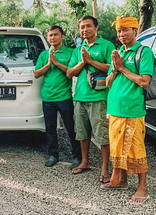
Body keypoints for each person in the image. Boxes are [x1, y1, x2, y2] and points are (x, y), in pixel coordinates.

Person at [103, 16, 154, 204]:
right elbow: (108, 82)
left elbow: (144, 81)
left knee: (135, 149)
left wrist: (123, 68)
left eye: (125, 30)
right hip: (115, 109)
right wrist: (115, 68)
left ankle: (143, 187)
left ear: (135, 30)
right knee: (117, 147)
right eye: (119, 31)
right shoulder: (118, 54)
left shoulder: (144, 52)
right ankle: (121, 180)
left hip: (132, 109)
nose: (121, 34)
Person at [66, 15, 115, 184]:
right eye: (82, 27)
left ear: (96, 28)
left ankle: (105, 168)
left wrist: (91, 61)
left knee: (102, 134)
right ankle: (85, 162)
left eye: (88, 26)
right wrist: (82, 62)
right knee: (82, 132)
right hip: (80, 96)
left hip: (99, 97)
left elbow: (113, 68)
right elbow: (69, 72)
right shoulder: (76, 49)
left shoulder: (107, 46)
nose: (85, 30)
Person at [34, 25, 81, 169]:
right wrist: (48, 64)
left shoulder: (70, 52)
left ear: (62, 36)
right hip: (47, 97)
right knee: (50, 128)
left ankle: (77, 156)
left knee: (71, 128)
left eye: (55, 35)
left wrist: (57, 63)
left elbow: (72, 72)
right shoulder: (44, 54)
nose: (52, 38)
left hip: (64, 96)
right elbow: (36, 74)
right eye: (50, 35)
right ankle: (53, 155)